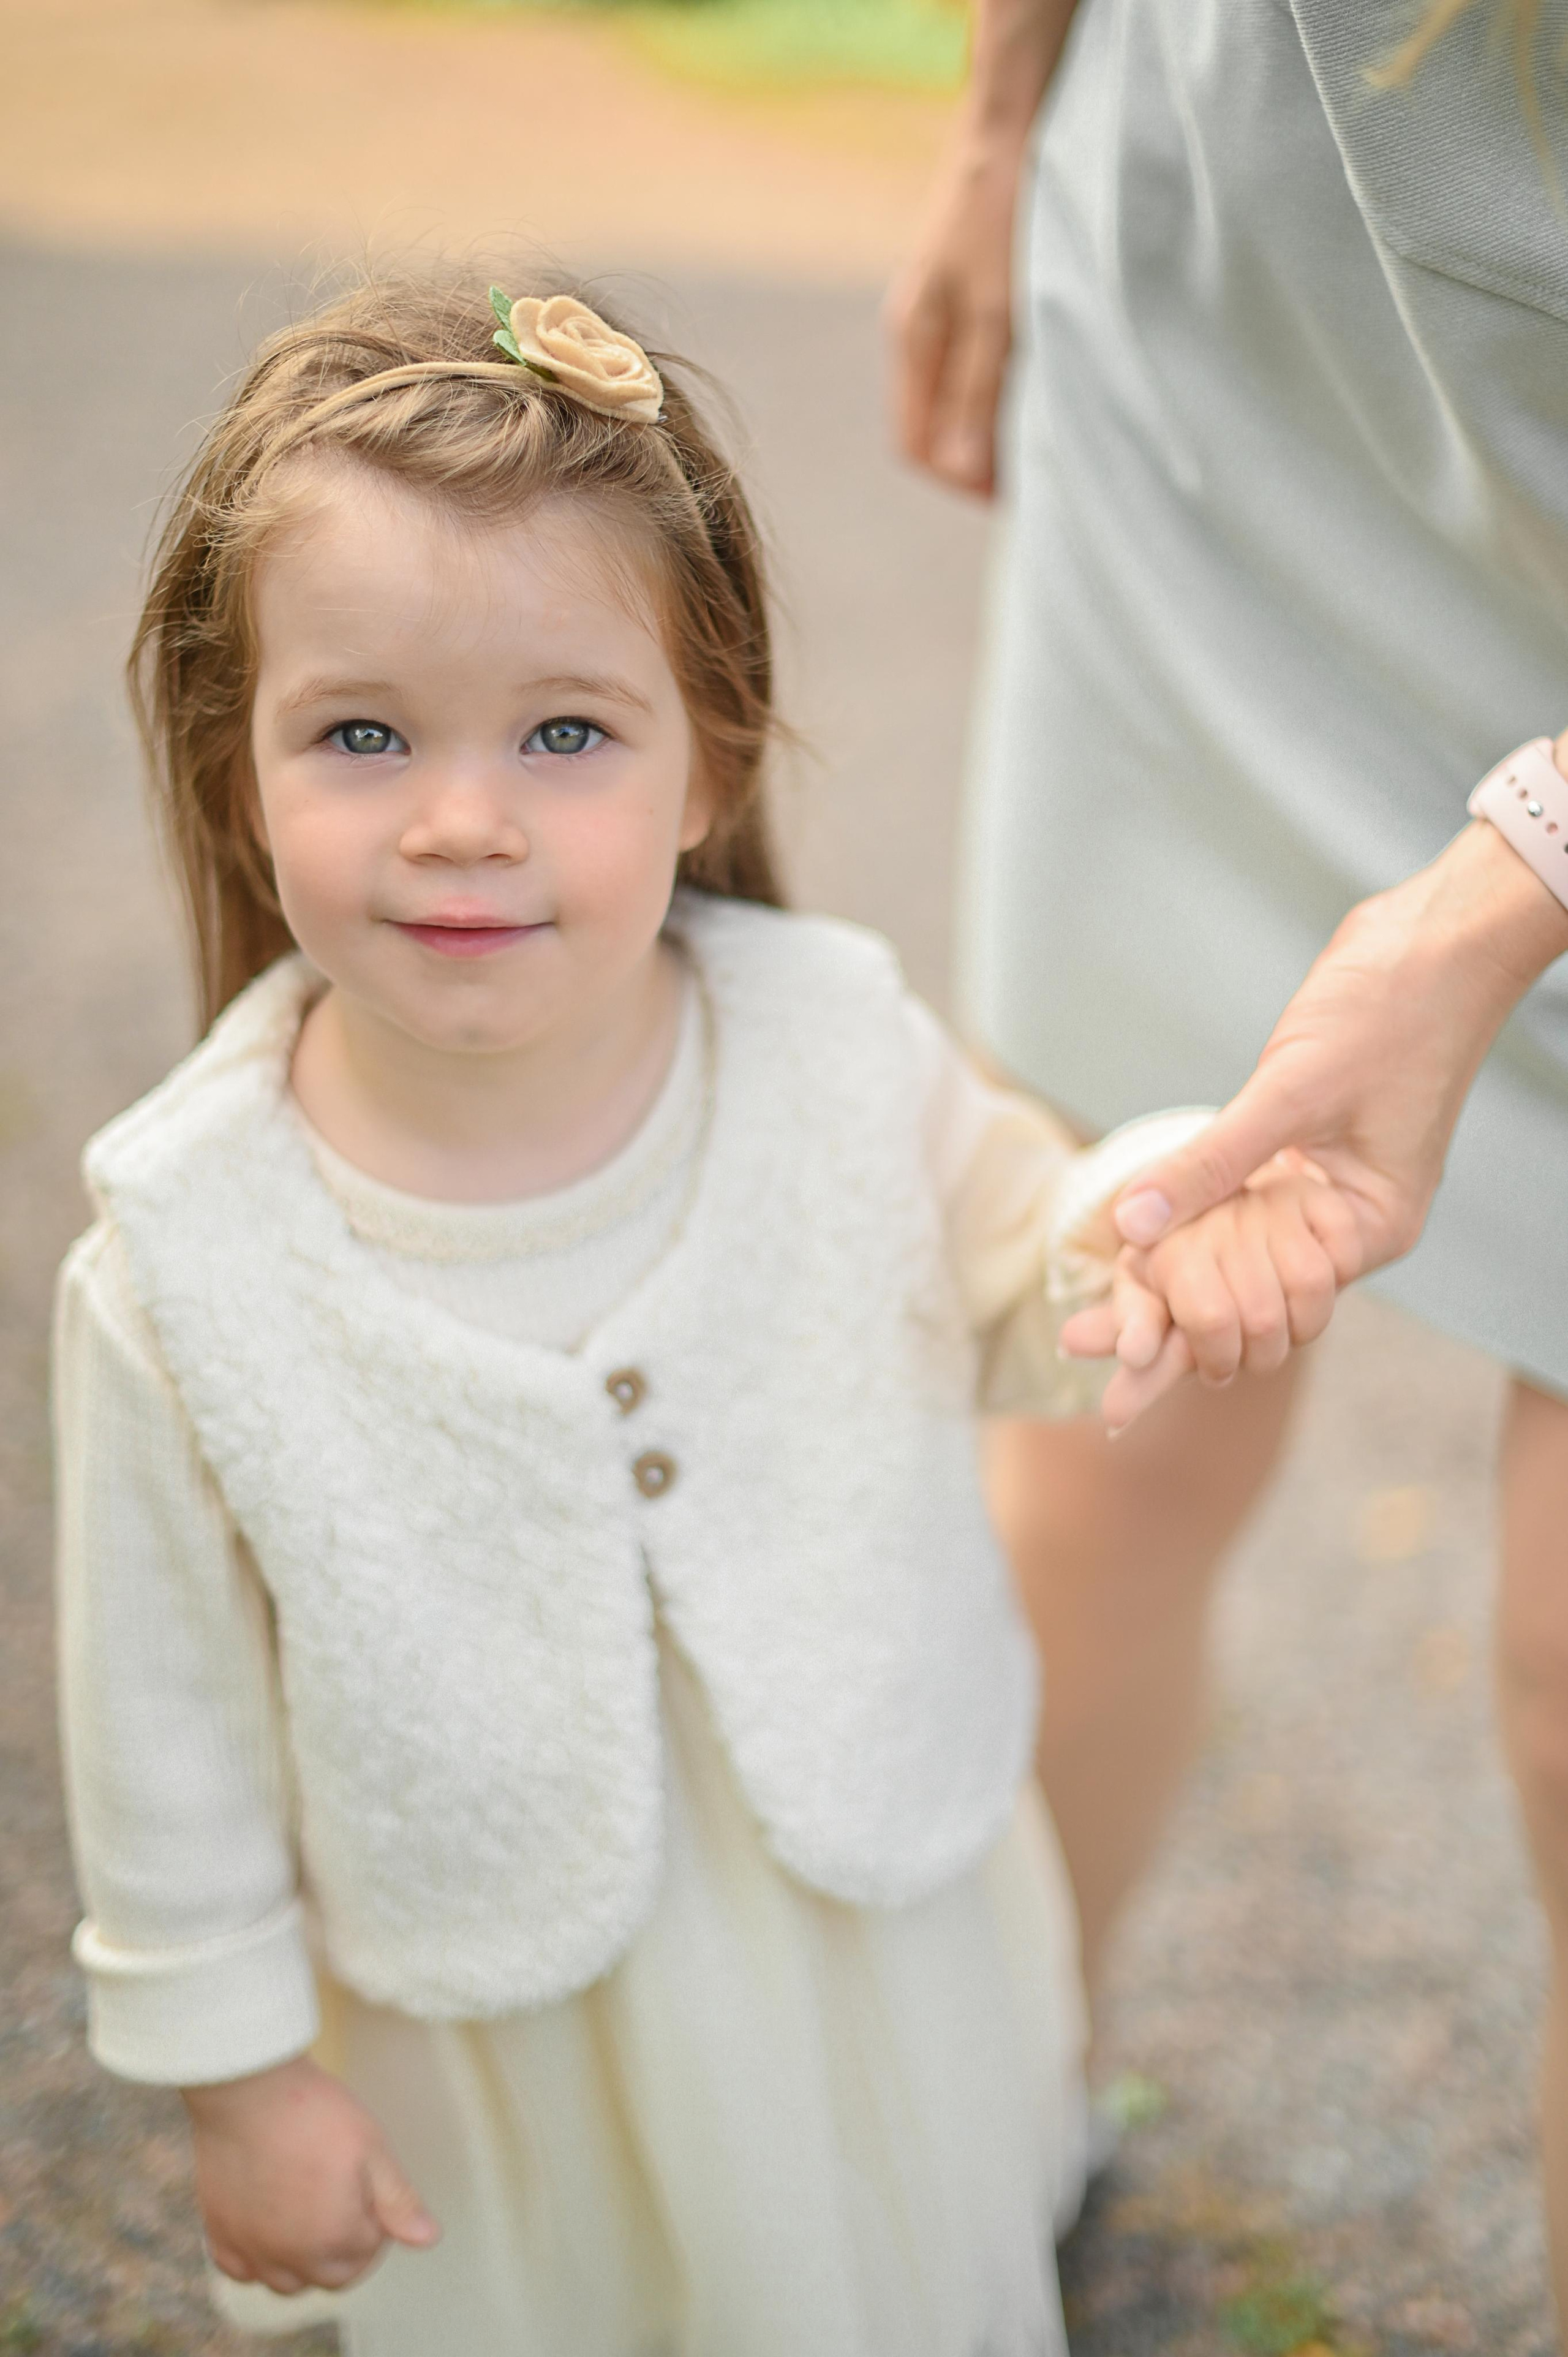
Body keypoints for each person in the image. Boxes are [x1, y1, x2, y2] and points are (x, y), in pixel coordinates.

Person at [51, 265, 1360, 2357]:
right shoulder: (182, 1250)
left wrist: (1164, 1216)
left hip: (869, 1938)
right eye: (362, 733)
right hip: (503, 2036)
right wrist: (240, 2075)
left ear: (707, 761)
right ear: (235, 774)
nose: (464, 814)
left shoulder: (831, 1046)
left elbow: (1031, 1255)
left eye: (566, 732)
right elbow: (164, 1720)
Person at [888, 0, 1568, 2320]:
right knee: (1109, 1370)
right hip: (1231, 326)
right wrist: (1000, 120)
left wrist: (1500, 893)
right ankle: (996, 2133)